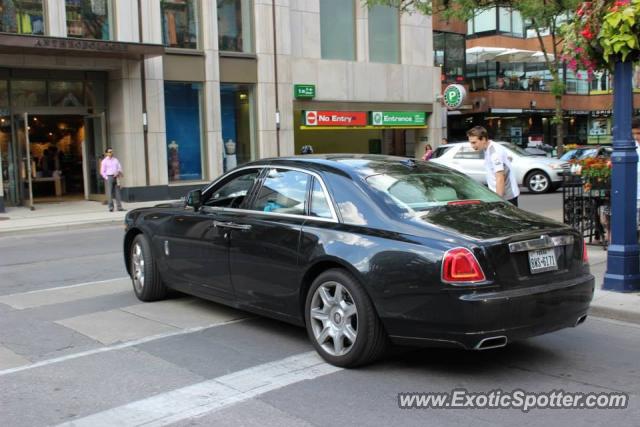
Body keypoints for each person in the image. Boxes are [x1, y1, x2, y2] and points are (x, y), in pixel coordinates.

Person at [467, 125, 520, 206]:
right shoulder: (487, 149)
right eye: (471, 142)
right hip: (499, 196)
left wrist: (499, 201)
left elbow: (500, 178)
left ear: (483, 139)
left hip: (506, 198)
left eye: (474, 142)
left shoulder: (494, 153)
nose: (472, 146)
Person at [100, 147, 125, 212]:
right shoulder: (104, 161)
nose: (111, 153)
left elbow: (119, 167)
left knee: (117, 192)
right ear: (106, 153)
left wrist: (118, 172)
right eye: (110, 152)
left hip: (116, 177)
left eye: (112, 151)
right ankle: (111, 207)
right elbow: (102, 171)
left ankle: (119, 207)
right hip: (109, 177)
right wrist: (107, 177)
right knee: (110, 192)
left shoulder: (115, 160)